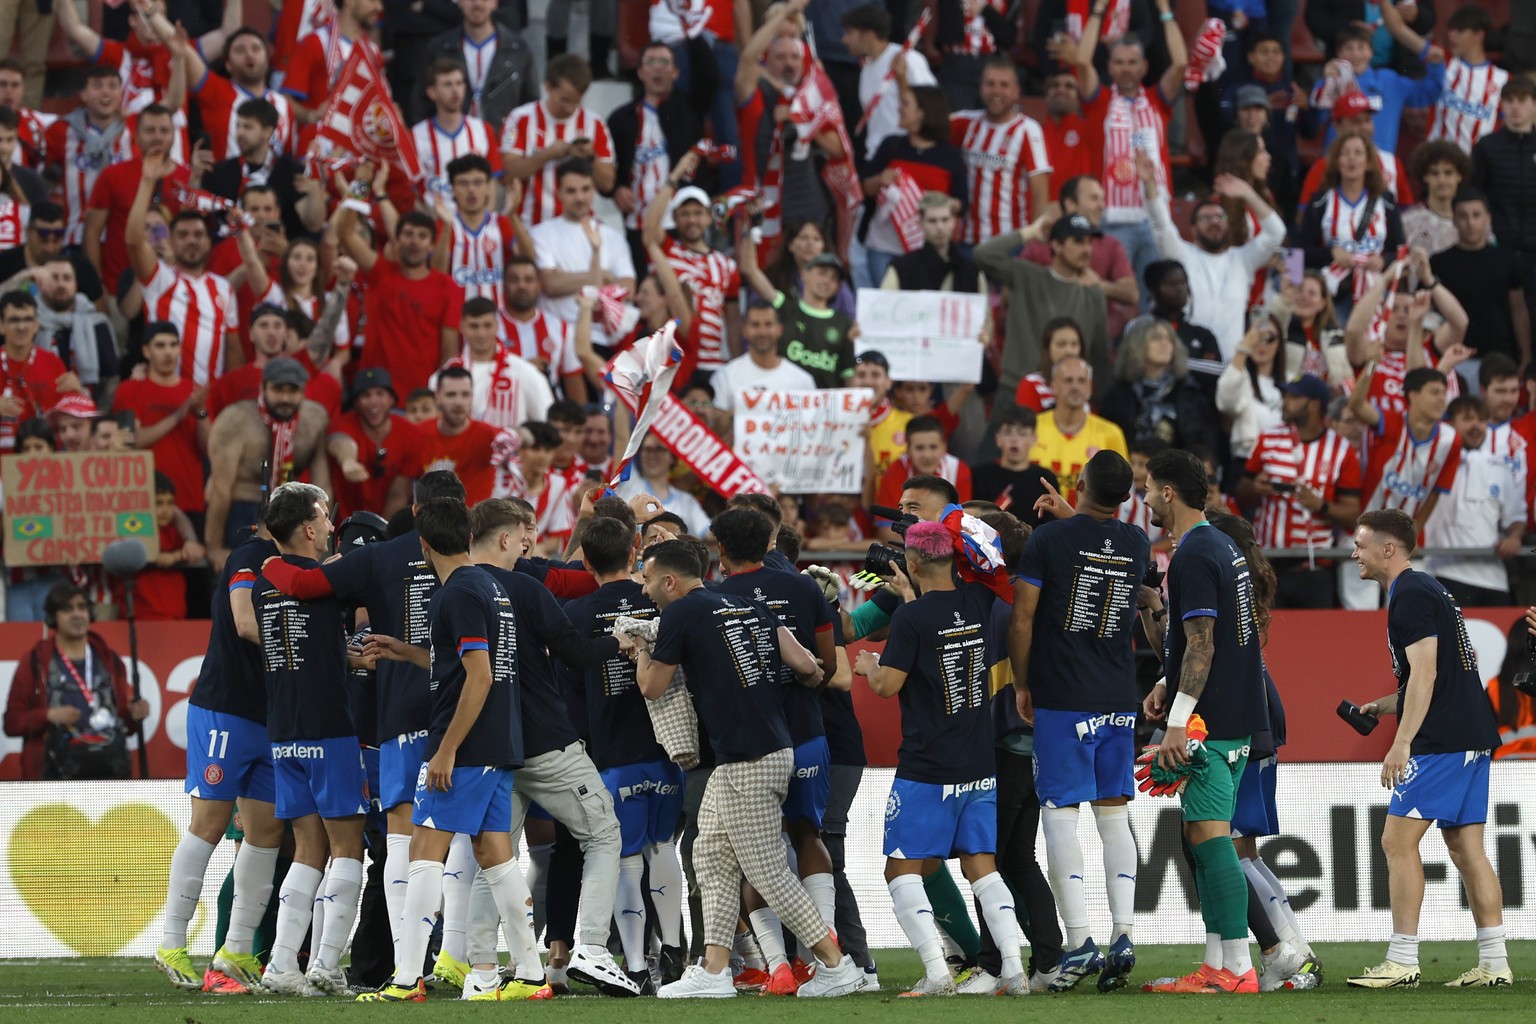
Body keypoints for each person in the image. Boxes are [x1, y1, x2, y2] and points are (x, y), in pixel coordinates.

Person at [624, 540, 863, 999]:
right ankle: (714, 969)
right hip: (764, 749)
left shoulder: (679, 613)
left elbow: (654, 689)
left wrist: (638, 650)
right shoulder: (738, 601)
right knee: (710, 856)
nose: (646, 590)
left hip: (748, 758)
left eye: (649, 580)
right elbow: (806, 663)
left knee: (767, 870)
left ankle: (836, 964)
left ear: (670, 581)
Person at [356, 497, 553, 1003]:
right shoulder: (489, 586)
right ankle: (531, 974)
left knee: (424, 850)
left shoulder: (457, 594)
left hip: (467, 747)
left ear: (423, 545)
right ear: (465, 538)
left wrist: (445, 749)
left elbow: (480, 676)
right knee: (495, 854)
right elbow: (464, 665)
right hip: (501, 741)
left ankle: (404, 982)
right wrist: (405, 651)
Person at [853, 520, 1026, 996]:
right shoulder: (978, 599)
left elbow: (889, 685)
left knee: (901, 869)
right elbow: (940, 618)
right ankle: (1012, 968)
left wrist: (870, 666)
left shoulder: (911, 619)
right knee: (981, 865)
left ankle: (936, 971)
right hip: (978, 762)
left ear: (910, 564)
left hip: (927, 767)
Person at [1347, 508, 1510, 989]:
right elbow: (1444, 677)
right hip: (1470, 735)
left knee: (1397, 842)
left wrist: (1400, 743)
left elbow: (1427, 674)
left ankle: (1401, 962)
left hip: (1442, 741)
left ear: (1388, 549)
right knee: (1466, 847)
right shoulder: (1428, 588)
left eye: (1361, 544)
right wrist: (1385, 704)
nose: (1354, 552)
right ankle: (1495, 964)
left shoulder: (1410, 595)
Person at [1011, 450, 1148, 992]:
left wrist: (1022, 683)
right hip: (1118, 692)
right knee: (1114, 815)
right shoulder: (1136, 542)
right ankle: (1124, 932)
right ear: (1127, 495)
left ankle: (1079, 940)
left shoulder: (1047, 540)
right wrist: (1077, 511)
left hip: (1063, 695)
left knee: (1060, 812)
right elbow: (1098, 542)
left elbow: (1023, 618)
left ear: (1082, 480)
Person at [1140, 448, 1269, 994]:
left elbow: (1202, 645)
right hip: (1235, 716)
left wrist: (1178, 720)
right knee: (1200, 835)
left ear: (1168, 493)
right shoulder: (1222, 546)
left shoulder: (1193, 554)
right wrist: (1169, 681)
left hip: (1208, 726)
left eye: (1147, 488)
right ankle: (1219, 962)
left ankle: (1238, 968)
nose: (1143, 498)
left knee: (1213, 841)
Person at [245, 483, 367, 996]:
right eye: (324, 515)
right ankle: (327, 963)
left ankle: (280, 966)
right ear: (309, 528)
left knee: (306, 848)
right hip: (329, 727)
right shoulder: (322, 579)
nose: (332, 524)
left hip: (285, 731)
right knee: (348, 847)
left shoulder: (260, 585)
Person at [151, 518, 281, 994]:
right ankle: (170, 942)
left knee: (266, 831)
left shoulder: (294, 568)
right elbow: (246, 624)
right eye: (323, 514)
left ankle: (235, 952)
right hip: (226, 710)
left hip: (271, 717)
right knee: (209, 822)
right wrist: (309, 652)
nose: (328, 523)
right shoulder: (249, 557)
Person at [562, 515, 687, 990]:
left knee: (624, 858)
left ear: (587, 561)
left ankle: (635, 964)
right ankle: (673, 946)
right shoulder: (658, 600)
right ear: (636, 550)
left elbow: (571, 692)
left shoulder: (575, 614)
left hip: (611, 754)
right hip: (666, 748)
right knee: (663, 848)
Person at [1070, 0, 1188, 286]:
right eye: (1119, 62)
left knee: (1153, 298)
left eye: (1132, 62)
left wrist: (1164, 10)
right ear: (1109, 67)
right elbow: (1082, 62)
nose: (1125, 69)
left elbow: (1181, 63)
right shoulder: (1099, 103)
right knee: (1109, 298)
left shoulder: (1159, 101)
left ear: (1144, 66)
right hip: (1111, 219)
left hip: (1155, 219)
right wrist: (1098, 10)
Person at [977, 214, 1110, 450]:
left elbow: (1098, 353)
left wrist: (1099, 400)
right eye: (1078, 241)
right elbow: (982, 255)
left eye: (1089, 242)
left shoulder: (1094, 294)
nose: (1086, 249)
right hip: (1016, 390)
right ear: (1056, 245)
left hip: (1068, 399)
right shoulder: (1028, 275)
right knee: (993, 466)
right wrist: (1028, 233)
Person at [1142, 154, 1285, 362]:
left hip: (1232, 368)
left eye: (1220, 217)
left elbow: (1276, 233)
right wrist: (1149, 184)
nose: (1214, 222)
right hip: (1190, 363)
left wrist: (1247, 194)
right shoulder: (1183, 255)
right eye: (1206, 218)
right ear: (1193, 229)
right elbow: (1160, 225)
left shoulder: (1243, 260)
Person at [1238, 374, 1363, 608]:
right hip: (1268, 565)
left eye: (1293, 396)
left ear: (1314, 404)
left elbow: (1352, 513)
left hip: (1314, 570)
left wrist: (1320, 505)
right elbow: (1242, 490)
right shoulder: (1268, 438)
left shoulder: (1341, 450)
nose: (1285, 401)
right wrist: (1255, 489)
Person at [2, 581, 146, 781]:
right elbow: (12, 723)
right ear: (53, 617)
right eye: (67, 609)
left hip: (108, 772)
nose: (77, 614)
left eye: (82, 607)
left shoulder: (109, 660)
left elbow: (126, 725)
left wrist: (135, 713)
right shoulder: (35, 662)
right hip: (54, 778)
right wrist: (48, 715)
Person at [203, 358, 330, 568]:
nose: (285, 398)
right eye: (278, 390)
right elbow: (219, 489)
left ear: (304, 390)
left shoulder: (315, 420)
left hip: (293, 513)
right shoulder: (234, 420)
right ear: (263, 387)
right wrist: (214, 547)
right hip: (243, 511)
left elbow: (323, 488)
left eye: (293, 391)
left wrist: (321, 537)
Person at [856, 70, 965, 290]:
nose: (899, 109)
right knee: (887, 307)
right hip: (883, 245)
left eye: (906, 104)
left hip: (927, 247)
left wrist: (934, 202)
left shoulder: (950, 156)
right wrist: (880, 180)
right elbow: (865, 188)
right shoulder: (892, 145)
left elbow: (962, 202)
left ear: (923, 112)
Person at [609, 41, 705, 271]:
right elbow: (607, 168)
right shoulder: (621, 119)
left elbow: (709, 77)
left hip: (682, 224)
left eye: (665, 63)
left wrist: (690, 35)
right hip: (637, 224)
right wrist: (615, 188)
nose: (658, 69)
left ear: (675, 72)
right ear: (640, 72)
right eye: (651, 62)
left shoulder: (690, 112)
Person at [644, 149, 741, 374]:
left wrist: (736, 364)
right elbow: (649, 229)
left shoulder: (727, 265)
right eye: (684, 214)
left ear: (709, 217)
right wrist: (676, 174)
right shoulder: (668, 252)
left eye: (698, 213)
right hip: (674, 359)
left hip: (715, 363)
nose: (692, 220)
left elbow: (733, 320)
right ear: (675, 219)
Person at [1425, 397, 1525, 607]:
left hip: (1494, 579)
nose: (1476, 426)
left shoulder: (1501, 468)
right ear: (1450, 423)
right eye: (1468, 419)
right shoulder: (1433, 463)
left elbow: (1516, 517)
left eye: (1481, 420)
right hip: (1443, 573)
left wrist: (1514, 537)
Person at [531, 159, 636, 351]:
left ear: (594, 190)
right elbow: (550, 285)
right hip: (557, 338)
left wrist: (566, 278)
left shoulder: (613, 237)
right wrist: (603, 276)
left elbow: (628, 290)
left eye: (585, 189)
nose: (579, 197)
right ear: (559, 193)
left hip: (603, 340)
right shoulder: (540, 234)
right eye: (571, 191)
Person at [1020, 175, 1139, 342]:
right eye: (1094, 198)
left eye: (1103, 199)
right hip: (1043, 336)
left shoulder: (1110, 244)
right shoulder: (1040, 244)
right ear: (1070, 204)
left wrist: (1099, 285)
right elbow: (1009, 294)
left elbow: (1131, 294)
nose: (1102, 206)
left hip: (1094, 337)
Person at [502, 55, 616, 227]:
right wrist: (547, 155)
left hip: (579, 229)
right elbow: (506, 174)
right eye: (564, 100)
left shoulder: (596, 124)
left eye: (576, 102)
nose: (570, 108)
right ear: (548, 86)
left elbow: (608, 185)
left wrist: (591, 158)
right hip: (530, 226)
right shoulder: (519, 119)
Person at [952, 56, 1050, 253]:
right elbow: (926, 121)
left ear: (1016, 91)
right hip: (967, 240)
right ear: (980, 88)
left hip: (1010, 243)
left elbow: (1040, 191)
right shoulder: (963, 122)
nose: (996, 91)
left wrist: (1034, 242)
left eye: (1004, 85)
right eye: (990, 84)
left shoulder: (1028, 130)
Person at [1431, 188, 1533, 380]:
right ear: (1453, 219)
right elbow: (1429, 312)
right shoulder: (1439, 262)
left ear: (1488, 218)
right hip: (1455, 357)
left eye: (1476, 215)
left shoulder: (1506, 258)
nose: (1470, 223)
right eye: (1463, 216)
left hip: (1500, 356)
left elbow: (1518, 309)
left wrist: (1525, 353)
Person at [1299, 133, 1408, 310]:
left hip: (1376, 293)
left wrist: (1383, 260)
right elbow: (1299, 252)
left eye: (1358, 153)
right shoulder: (1320, 201)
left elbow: (1401, 251)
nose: (1351, 158)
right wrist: (1331, 254)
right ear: (1336, 161)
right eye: (1345, 153)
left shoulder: (1387, 202)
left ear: (1368, 162)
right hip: (1334, 295)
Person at [112, 322, 207, 523]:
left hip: (189, 498)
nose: (168, 352)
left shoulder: (195, 391)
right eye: (160, 346)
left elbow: (208, 448)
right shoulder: (129, 390)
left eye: (173, 345)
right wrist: (176, 417)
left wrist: (200, 413)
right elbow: (131, 442)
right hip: (144, 500)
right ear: (146, 351)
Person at [739, 232, 857, 391]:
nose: (827, 281)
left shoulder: (844, 324)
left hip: (823, 410)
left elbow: (849, 375)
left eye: (834, 278)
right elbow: (750, 270)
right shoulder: (784, 307)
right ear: (804, 275)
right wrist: (750, 229)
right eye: (822, 273)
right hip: (783, 402)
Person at [1348, 365, 1459, 532]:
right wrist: (1371, 363)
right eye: (1435, 393)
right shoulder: (1391, 422)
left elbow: (1437, 490)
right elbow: (1356, 405)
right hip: (1366, 531)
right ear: (1413, 396)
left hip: (1406, 539)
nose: (1441, 399)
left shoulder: (1451, 439)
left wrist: (1417, 527)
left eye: (1444, 393)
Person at [42, 66, 134, 248]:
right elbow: (46, 182)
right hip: (76, 237)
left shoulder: (136, 130)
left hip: (124, 240)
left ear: (121, 93)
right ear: (83, 94)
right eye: (97, 86)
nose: (106, 91)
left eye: (112, 86)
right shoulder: (60, 131)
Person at [431, 154, 531, 313]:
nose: (471, 190)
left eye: (478, 182)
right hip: (455, 319)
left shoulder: (502, 223)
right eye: (463, 183)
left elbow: (529, 260)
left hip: (499, 321)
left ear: (488, 187)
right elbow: (436, 275)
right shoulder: (443, 225)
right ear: (452, 189)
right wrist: (447, 227)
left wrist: (513, 215)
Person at [1100, 318, 1217, 452]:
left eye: (1170, 339)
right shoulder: (1116, 394)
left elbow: (1203, 444)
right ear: (1137, 345)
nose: (1164, 343)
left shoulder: (1189, 393)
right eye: (1156, 338)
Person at [180, 27, 296, 160]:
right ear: (228, 64)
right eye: (240, 50)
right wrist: (152, 13)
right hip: (227, 179)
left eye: (256, 49)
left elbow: (288, 156)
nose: (249, 55)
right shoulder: (215, 90)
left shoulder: (284, 104)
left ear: (267, 59)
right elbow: (182, 50)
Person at [422, 0, 537, 129]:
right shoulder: (439, 48)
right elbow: (422, 100)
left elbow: (530, 103)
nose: (477, 4)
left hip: (503, 140)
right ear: (459, 2)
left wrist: (514, 142)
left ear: (495, 3)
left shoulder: (518, 49)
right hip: (450, 140)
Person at [327, 368, 422, 520]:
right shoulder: (343, 423)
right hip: (344, 525)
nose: (373, 401)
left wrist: (382, 536)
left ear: (392, 399)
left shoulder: (410, 434)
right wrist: (348, 461)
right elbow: (339, 440)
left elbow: (398, 495)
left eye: (380, 394)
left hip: (385, 526)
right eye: (366, 395)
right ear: (356, 402)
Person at [1469, 78, 1536, 294]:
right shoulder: (1487, 146)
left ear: (1534, 104)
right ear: (1502, 104)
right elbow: (1475, 193)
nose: (1515, 106)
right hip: (1499, 248)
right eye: (1509, 100)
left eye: (1522, 100)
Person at [412, 59, 504, 213]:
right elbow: (412, 190)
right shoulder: (415, 136)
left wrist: (485, 221)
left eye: (459, 83)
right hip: (435, 223)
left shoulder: (482, 130)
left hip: (476, 223)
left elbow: (493, 182)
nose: (455, 91)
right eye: (447, 85)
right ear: (432, 92)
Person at [416, 366, 515, 506]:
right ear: (437, 397)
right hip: (428, 522)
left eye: (465, 394)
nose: (458, 402)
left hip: (475, 523)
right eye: (451, 395)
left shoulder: (488, 436)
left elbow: (522, 436)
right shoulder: (418, 434)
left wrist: (518, 436)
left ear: (472, 397)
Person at [1029, 357, 1127, 495]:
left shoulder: (1111, 434)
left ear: (1089, 388)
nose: (1075, 387)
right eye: (1068, 380)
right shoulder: (1031, 428)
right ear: (1053, 386)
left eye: (1081, 381)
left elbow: (1121, 488)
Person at [0, 290, 83, 453]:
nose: (21, 327)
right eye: (14, 320)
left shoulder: (52, 362)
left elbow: (75, 419)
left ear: (36, 325)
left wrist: (80, 393)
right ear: (1, 326)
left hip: (46, 463)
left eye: (27, 319)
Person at [711, 300, 816, 418]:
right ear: (744, 330)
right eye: (755, 325)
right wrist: (738, 411)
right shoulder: (725, 376)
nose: (762, 332)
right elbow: (714, 429)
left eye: (768, 324)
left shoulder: (803, 381)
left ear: (780, 329)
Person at [971, 408, 1058, 527]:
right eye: (1007, 432)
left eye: (1021, 433)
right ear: (998, 439)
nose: (1014, 439)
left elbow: (1050, 525)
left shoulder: (1046, 479)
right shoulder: (979, 475)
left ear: (1034, 439)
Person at [1216, 319, 1286, 463]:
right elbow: (1225, 401)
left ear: (1280, 344)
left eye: (1269, 338)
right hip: (1247, 463)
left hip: (1282, 464)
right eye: (1256, 337)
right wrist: (1242, 350)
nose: (1262, 344)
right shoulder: (1241, 376)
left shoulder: (1290, 383)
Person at [1401, 141, 1468, 256]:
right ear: (1425, 176)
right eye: (1434, 173)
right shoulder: (1407, 221)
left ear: (1459, 176)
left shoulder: (1472, 220)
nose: (1441, 180)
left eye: (1448, 173)